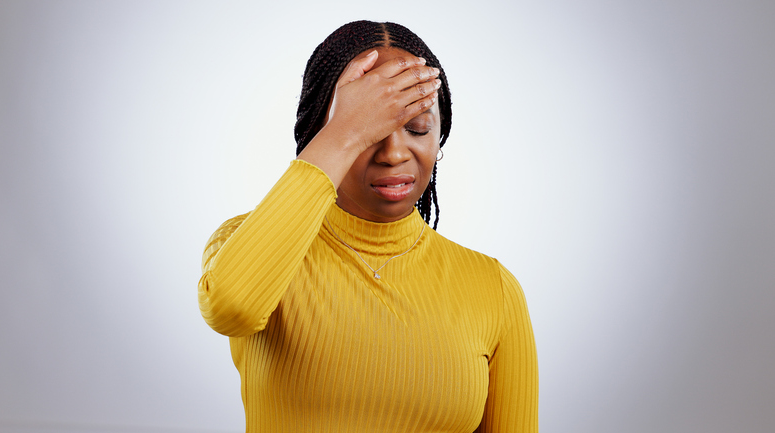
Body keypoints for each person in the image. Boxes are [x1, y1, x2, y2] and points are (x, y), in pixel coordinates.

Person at [199, 20, 538, 432]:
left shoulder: (493, 289)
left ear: (440, 137)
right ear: (320, 135)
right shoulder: (243, 243)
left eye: (417, 127)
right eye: (368, 130)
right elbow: (231, 307)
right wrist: (343, 134)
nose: (394, 153)